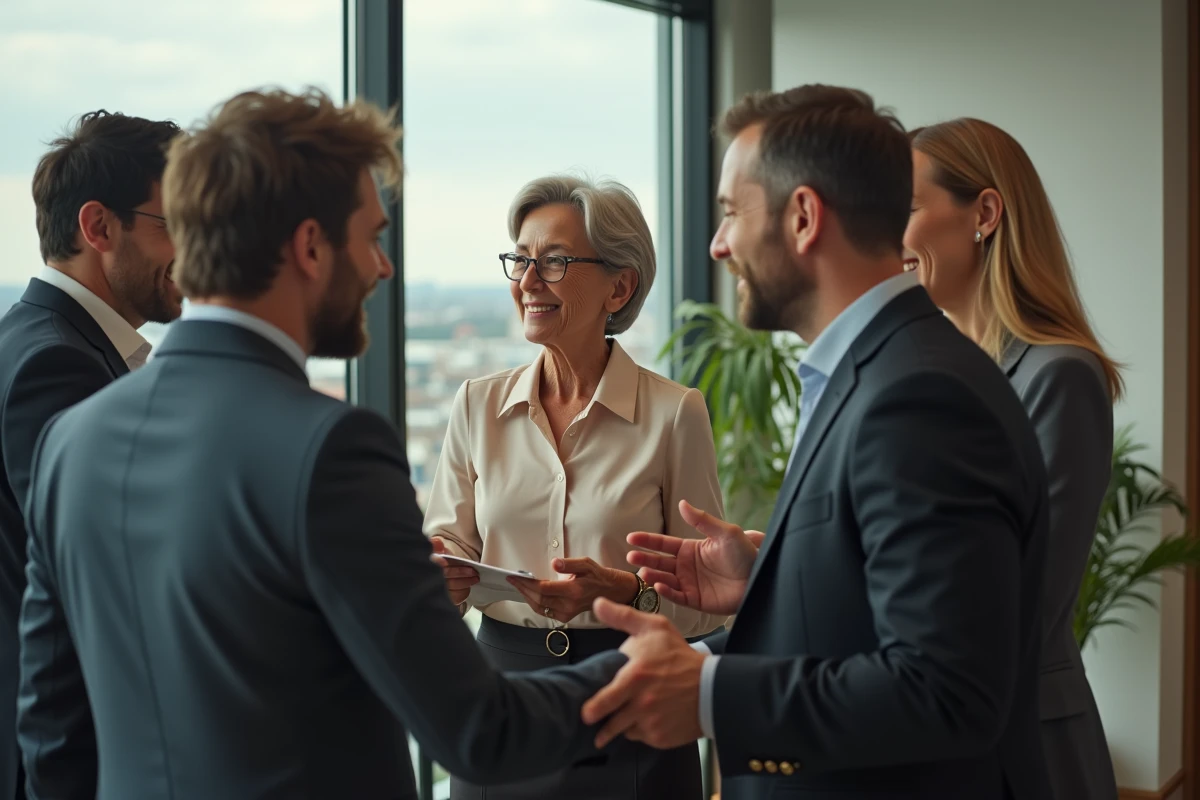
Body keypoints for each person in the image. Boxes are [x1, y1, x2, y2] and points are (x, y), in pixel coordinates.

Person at [17, 88, 625, 800]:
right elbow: (478, 732)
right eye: (372, 237)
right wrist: (661, 665)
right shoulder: (331, 448)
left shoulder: (71, 440)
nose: (383, 268)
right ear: (310, 246)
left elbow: (52, 734)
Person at [578, 85, 1057, 800]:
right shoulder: (874, 372)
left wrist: (710, 694)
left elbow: (946, 691)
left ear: (803, 217)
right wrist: (776, 578)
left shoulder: (921, 395)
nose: (718, 244)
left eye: (732, 213)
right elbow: (873, 611)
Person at [424, 174, 726, 799]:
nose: (528, 282)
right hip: (501, 700)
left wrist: (626, 592)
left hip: (634, 696)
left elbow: (705, 600)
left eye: (555, 262)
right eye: (521, 259)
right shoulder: (476, 405)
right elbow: (444, 544)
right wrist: (440, 576)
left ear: (620, 285)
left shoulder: (675, 414)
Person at [905, 117, 1122, 800]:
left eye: (904, 209)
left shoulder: (1059, 376)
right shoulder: (939, 375)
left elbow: (1019, 598)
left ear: (985, 214)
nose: (885, 237)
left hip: (1024, 750)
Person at [0, 110, 181, 799]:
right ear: (99, 228)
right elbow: (96, 586)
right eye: (174, 226)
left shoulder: (41, 340)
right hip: (66, 758)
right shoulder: (56, 364)